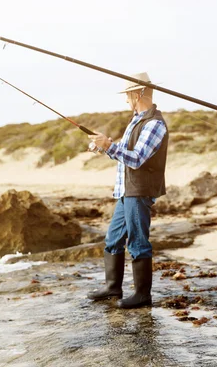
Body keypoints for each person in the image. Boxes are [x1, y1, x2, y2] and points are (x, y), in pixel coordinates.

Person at [86, 72, 168, 309]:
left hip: (139, 190)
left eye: (128, 95)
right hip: (125, 191)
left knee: (138, 242)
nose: (125, 100)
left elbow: (137, 158)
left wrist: (109, 146)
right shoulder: (136, 119)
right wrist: (104, 147)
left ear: (138, 93)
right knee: (112, 239)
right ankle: (113, 287)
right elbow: (125, 150)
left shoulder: (154, 124)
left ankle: (143, 295)